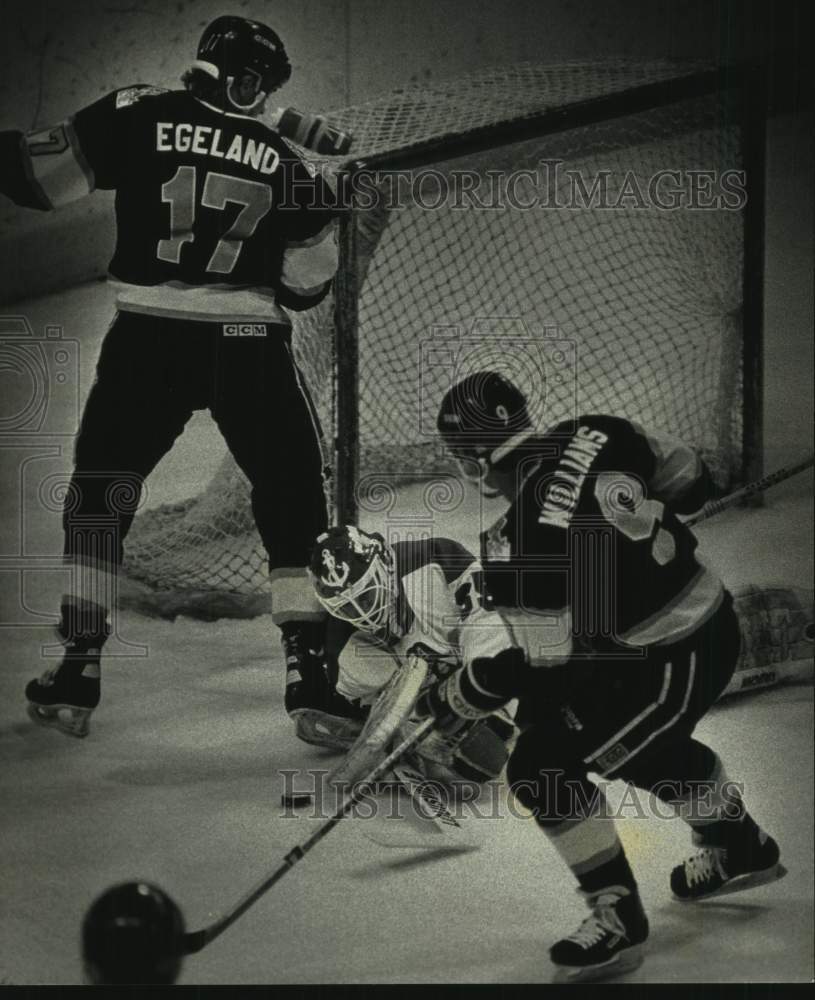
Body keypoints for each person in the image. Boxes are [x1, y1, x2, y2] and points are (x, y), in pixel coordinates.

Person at [0, 15, 357, 745]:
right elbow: (306, 286)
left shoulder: (139, 110)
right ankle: (310, 680)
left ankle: (77, 667)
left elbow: (39, 180)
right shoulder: (281, 162)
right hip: (248, 342)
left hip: (147, 342)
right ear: (252, 81)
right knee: (292, 496)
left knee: (101, 492)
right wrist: (322, 209)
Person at [414, 369, 787, 982]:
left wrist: (469, 691)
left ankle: (618, 919)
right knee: (625, 749)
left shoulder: (516, 545)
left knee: (542, 766)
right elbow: (691, 480)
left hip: (665, 656)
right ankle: (741, 846)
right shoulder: (599, 430)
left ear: (474, 464)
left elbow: (547, 666)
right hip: (705, 623)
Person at [309, 524, 519, 785]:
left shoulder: (435, 560)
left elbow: (489, 621)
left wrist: (488, 695)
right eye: (347, 608)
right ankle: (420, 738)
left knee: (492, 744)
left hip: (477, 667)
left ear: (384, 564)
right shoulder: (343, 650)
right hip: (433, 693)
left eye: (365, 596)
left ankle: (491, 713)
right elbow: (365, 703)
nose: (363, 614)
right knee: (476, 757)